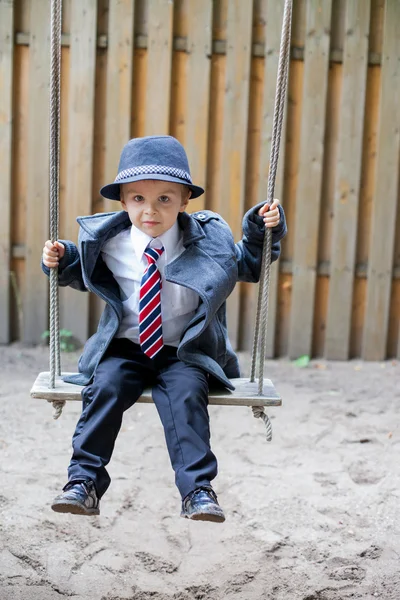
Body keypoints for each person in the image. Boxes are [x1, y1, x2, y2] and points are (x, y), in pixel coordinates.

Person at [42, 135, 287, 523]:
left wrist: (261, 229)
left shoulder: (209, 242)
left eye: (165, 199)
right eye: (138, 199)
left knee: (189, 395)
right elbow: (80, 271)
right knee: (103, 387)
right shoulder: (108, 241)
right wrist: (61, 258)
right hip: (126, 347)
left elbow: (250, 263)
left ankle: (198, 491)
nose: (150, 211)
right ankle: (83, 482)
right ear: (122, 201)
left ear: (185, 200)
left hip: (183, 352)